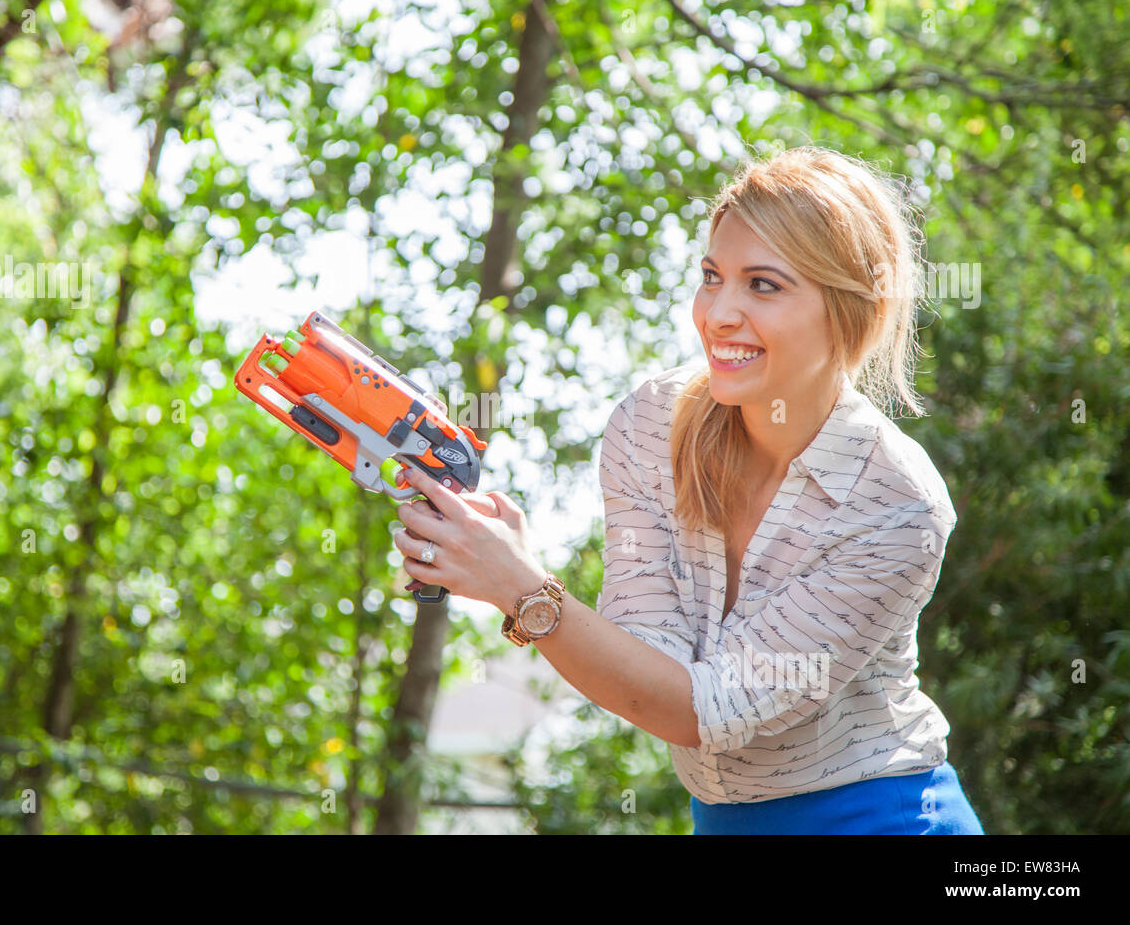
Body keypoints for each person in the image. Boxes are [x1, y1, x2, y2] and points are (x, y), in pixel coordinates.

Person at [391, 145, 985, 835]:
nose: (718, 313)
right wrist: (507, 566)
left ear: (850, 310)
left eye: (763, 285)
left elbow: (705, 711)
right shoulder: (648, 427)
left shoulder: (896, 506)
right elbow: (652, 664)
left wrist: (521, 587)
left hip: (878, 818)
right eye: (712, 276)